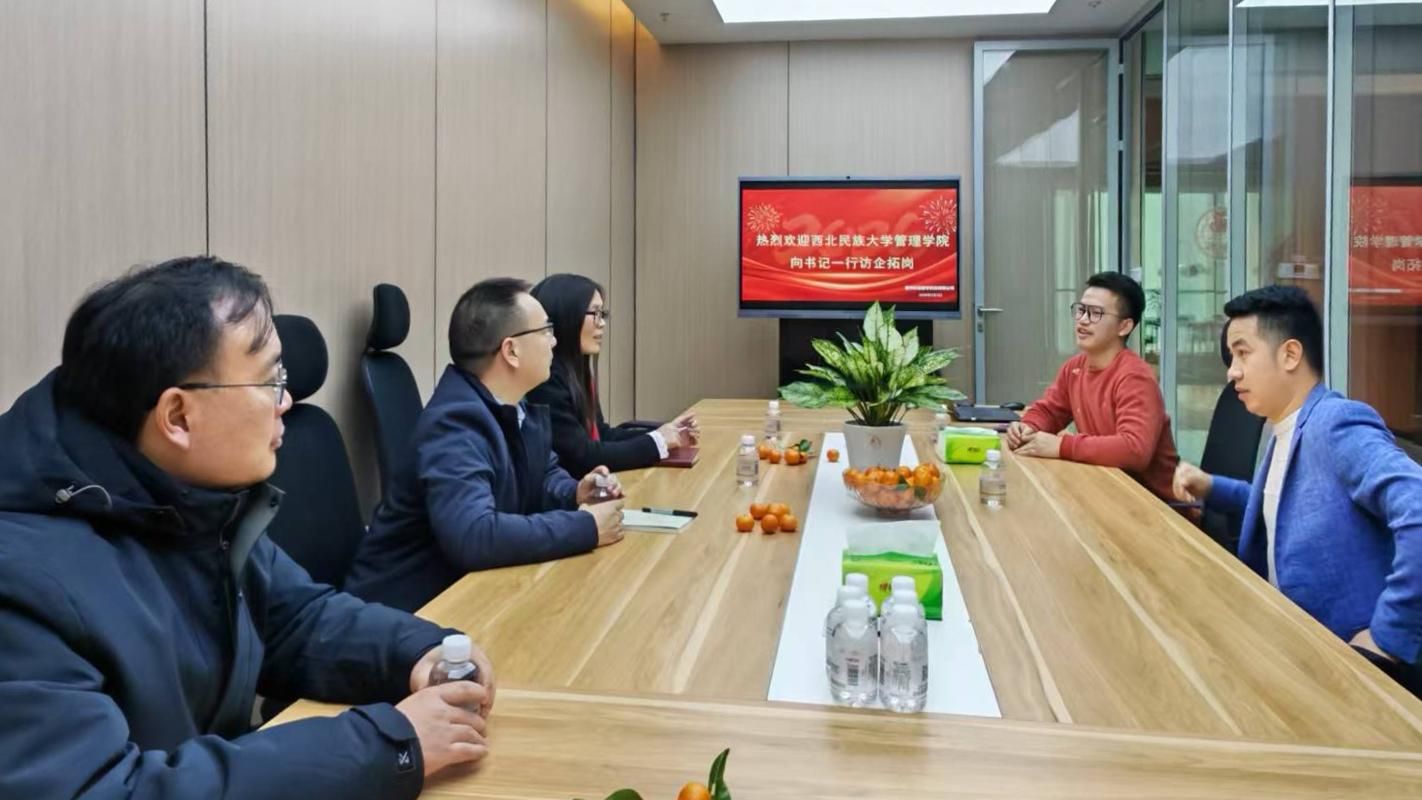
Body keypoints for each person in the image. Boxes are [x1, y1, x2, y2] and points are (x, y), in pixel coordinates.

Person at [0, 256, 495, 798]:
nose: (286, 401)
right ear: (178, 417)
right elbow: (102, 790)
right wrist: (387, 746)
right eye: (269, 379)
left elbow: (292, 619)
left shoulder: (185, 496)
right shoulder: (20, 581)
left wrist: (420, 651)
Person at [1174, 286, 1422, 694]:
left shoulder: (1335, 423)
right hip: (1289, 651)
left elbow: (1417, 509)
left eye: (1242, 353)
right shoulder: (1285, 428)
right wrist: (1211, 486)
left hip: (1345, 676)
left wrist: (1387, 638)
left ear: (1290, 355)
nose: (1232, 372)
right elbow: (1287, 507)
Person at [346, 277, 626, 613]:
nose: (554, 341)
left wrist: (576, 492)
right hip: (405, 611)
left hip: (464, 593)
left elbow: (543, 475)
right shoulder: (455, 423)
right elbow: (474, 535)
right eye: (546, 331)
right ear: (511, 351)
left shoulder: (515, 406)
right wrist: (586, 527)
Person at [1005, 272, 1184, 508]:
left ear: (1124, 326)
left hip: (1154, 506)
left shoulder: (1135, 377)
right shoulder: (1075, 368)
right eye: (1081, 310)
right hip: (1107, 491)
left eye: (1095, 313)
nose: (1083, 320)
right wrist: (1027, 427)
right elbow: (1050, 411)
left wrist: (1061, 446)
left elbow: (1134, 450)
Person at [527, 273, 697, 477]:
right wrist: (657, 442)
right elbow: (583, 457)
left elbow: (601, 435)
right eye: (595, 314)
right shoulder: (546, 379)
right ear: (567, 317)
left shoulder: (575, 371)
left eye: (603, 314)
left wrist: (667, 434)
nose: (602, 324)